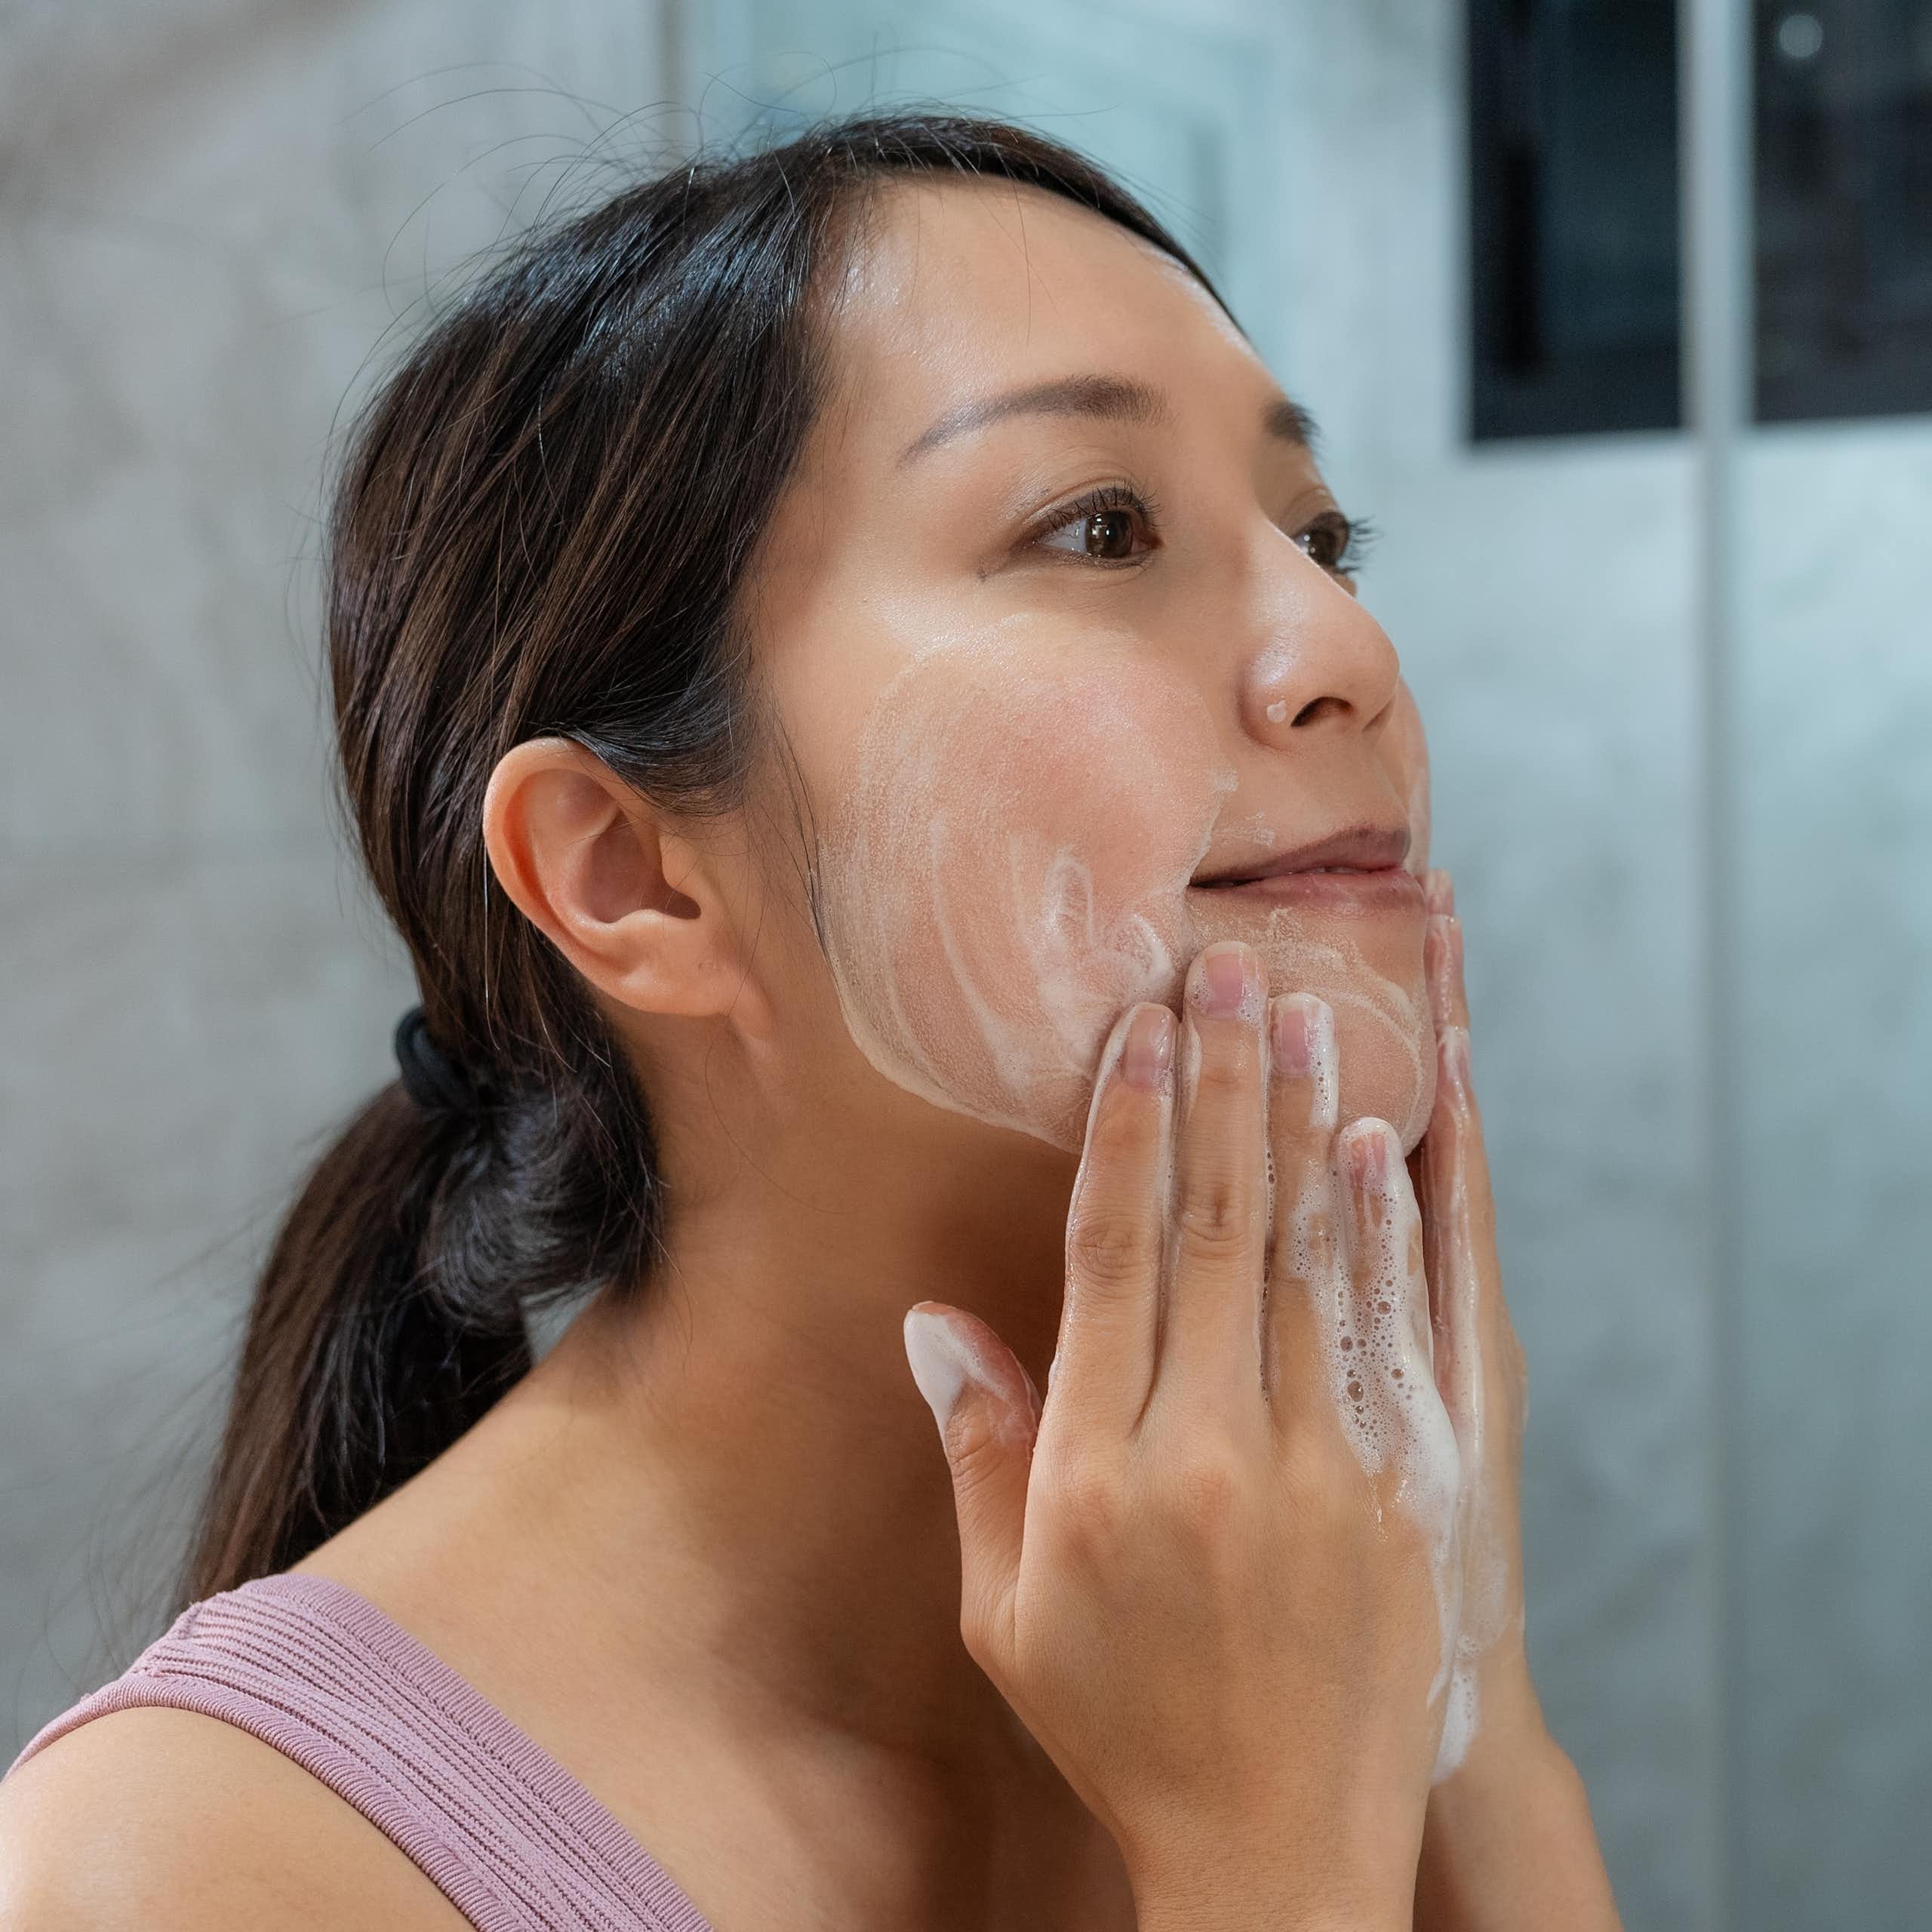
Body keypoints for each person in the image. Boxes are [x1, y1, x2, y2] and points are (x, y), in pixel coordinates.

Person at [0, 111, 1620, 1929]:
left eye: (1323, 536)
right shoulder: (202, 1868)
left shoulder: (1312, 1637)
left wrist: (1464, 1693)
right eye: (1099, 525)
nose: (1345, 650)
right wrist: (1269, 1866)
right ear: (628, 872)